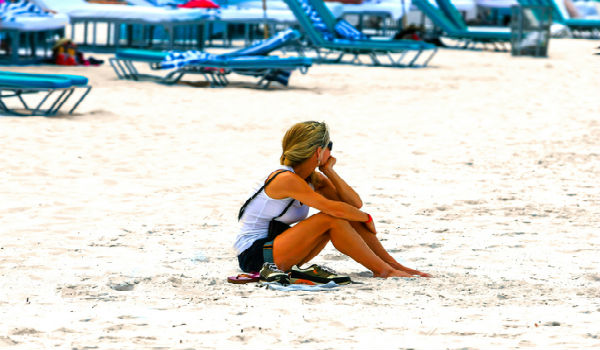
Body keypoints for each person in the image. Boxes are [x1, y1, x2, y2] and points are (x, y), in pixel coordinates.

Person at [235, 121, 431, 279]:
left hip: (278, 249)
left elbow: (353, 205)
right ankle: (384, 270)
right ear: (318, 152)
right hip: (256, 256)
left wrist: (329, 171)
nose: (332, 152)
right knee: (331, 218)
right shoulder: (285, 179)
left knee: (343, 215)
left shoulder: (313, 179)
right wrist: (367, 218)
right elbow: (337, 211)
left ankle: (392, 265)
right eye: (329, 146)